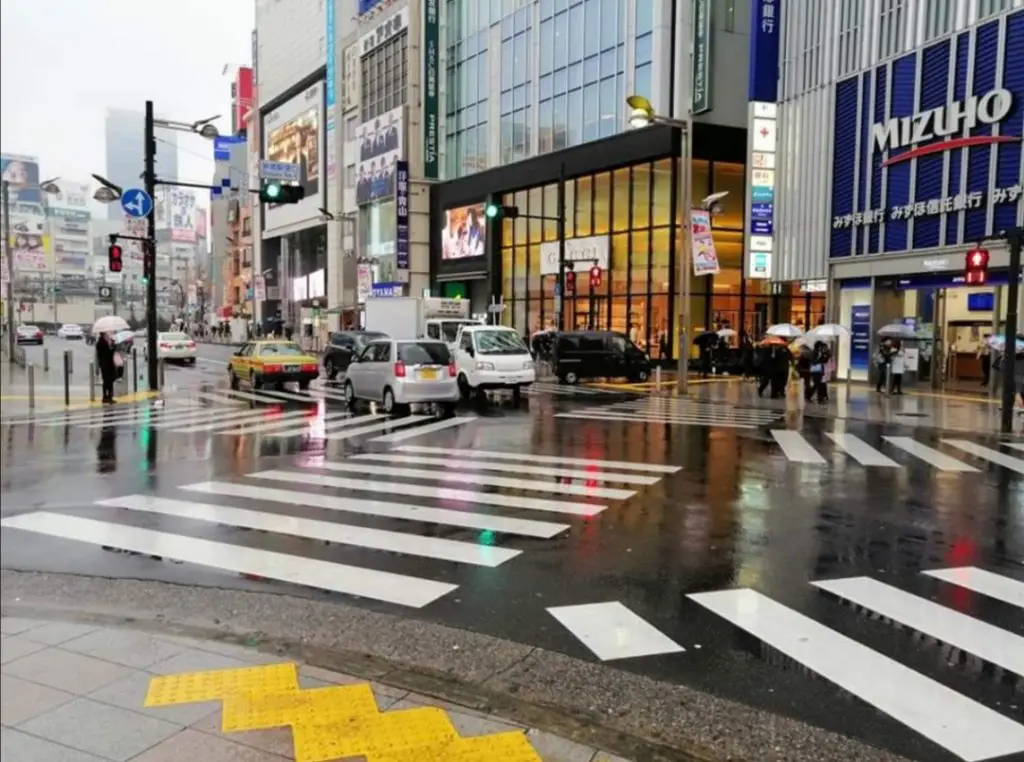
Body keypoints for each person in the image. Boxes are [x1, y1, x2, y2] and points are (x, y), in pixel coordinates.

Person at [95, 332, 117, 404]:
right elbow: (108, 354)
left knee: (106, 381)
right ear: (103, 335)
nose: (107, 336)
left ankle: (105, 396)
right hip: (107, 364)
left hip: (104, 364)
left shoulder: (101, 343)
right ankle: (109, 397)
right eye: (106, 335)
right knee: (109, 381)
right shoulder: (102, 343)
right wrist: (113, 347)